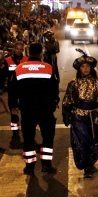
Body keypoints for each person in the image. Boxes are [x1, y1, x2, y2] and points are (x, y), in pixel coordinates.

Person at [10, 43, 59, 175]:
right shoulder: (48, 68)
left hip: (27, 109)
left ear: (28, 53)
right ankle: (46, 165)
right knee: (48, 137)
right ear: (41, 53)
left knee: (28, 138)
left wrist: (13, 106)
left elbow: (12, 90)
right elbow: (54, 88)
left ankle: (30, 166)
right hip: (45, 109)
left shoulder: (20, 68)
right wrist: (55, 102)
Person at [62, 53, 98, 177]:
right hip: (78, 117)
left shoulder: (97, 83)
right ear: (79, 69)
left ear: (91, 68)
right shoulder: (73, 83)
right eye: (83, 67)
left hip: (95, 116)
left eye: (87, 66)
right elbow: (67, 100)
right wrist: (67, 114)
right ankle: (86, 167)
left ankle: (91, 164)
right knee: (83, 143)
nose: (86, 69)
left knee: (97, 142)